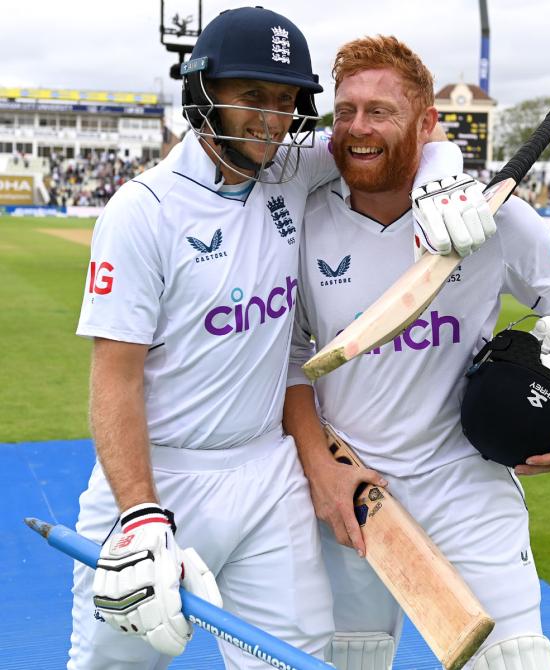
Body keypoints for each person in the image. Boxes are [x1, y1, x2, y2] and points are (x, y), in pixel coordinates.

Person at [70, 8, 479, 670]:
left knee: (296, 660)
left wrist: (444, 165)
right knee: (115, 664)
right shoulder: (141, 213)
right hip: (166, 478)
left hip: (269, 473)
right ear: (203, 92)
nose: (272, 118)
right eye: (253, 96)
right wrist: (142, 515)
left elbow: (387, 137)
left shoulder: (286, 171)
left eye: (287, 101)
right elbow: (113, 379)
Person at [283, 36, 550, 670]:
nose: (358, 128)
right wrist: (321, 469)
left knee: (516, 662)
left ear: (426, 120)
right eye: (346, 111)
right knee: (350, 663)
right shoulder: (302, 220)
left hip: (464, 482)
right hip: (351, 486)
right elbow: (289, 355)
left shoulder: (484, 216)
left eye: (380, 111)